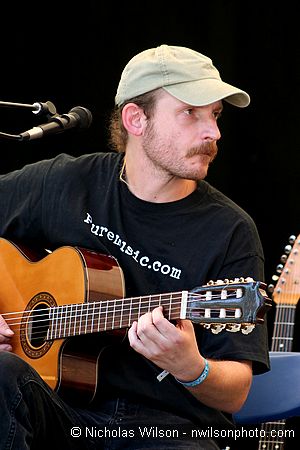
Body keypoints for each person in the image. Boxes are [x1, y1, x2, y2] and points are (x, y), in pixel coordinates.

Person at [0, 44, 269, 449]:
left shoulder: (230, 230)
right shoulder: (64, 182)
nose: (213, 132)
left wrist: (191, 367)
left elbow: (235, 392)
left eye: (214, 115)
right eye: (191, 113)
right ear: (136, 118)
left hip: (167, 429)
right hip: (61, 412)